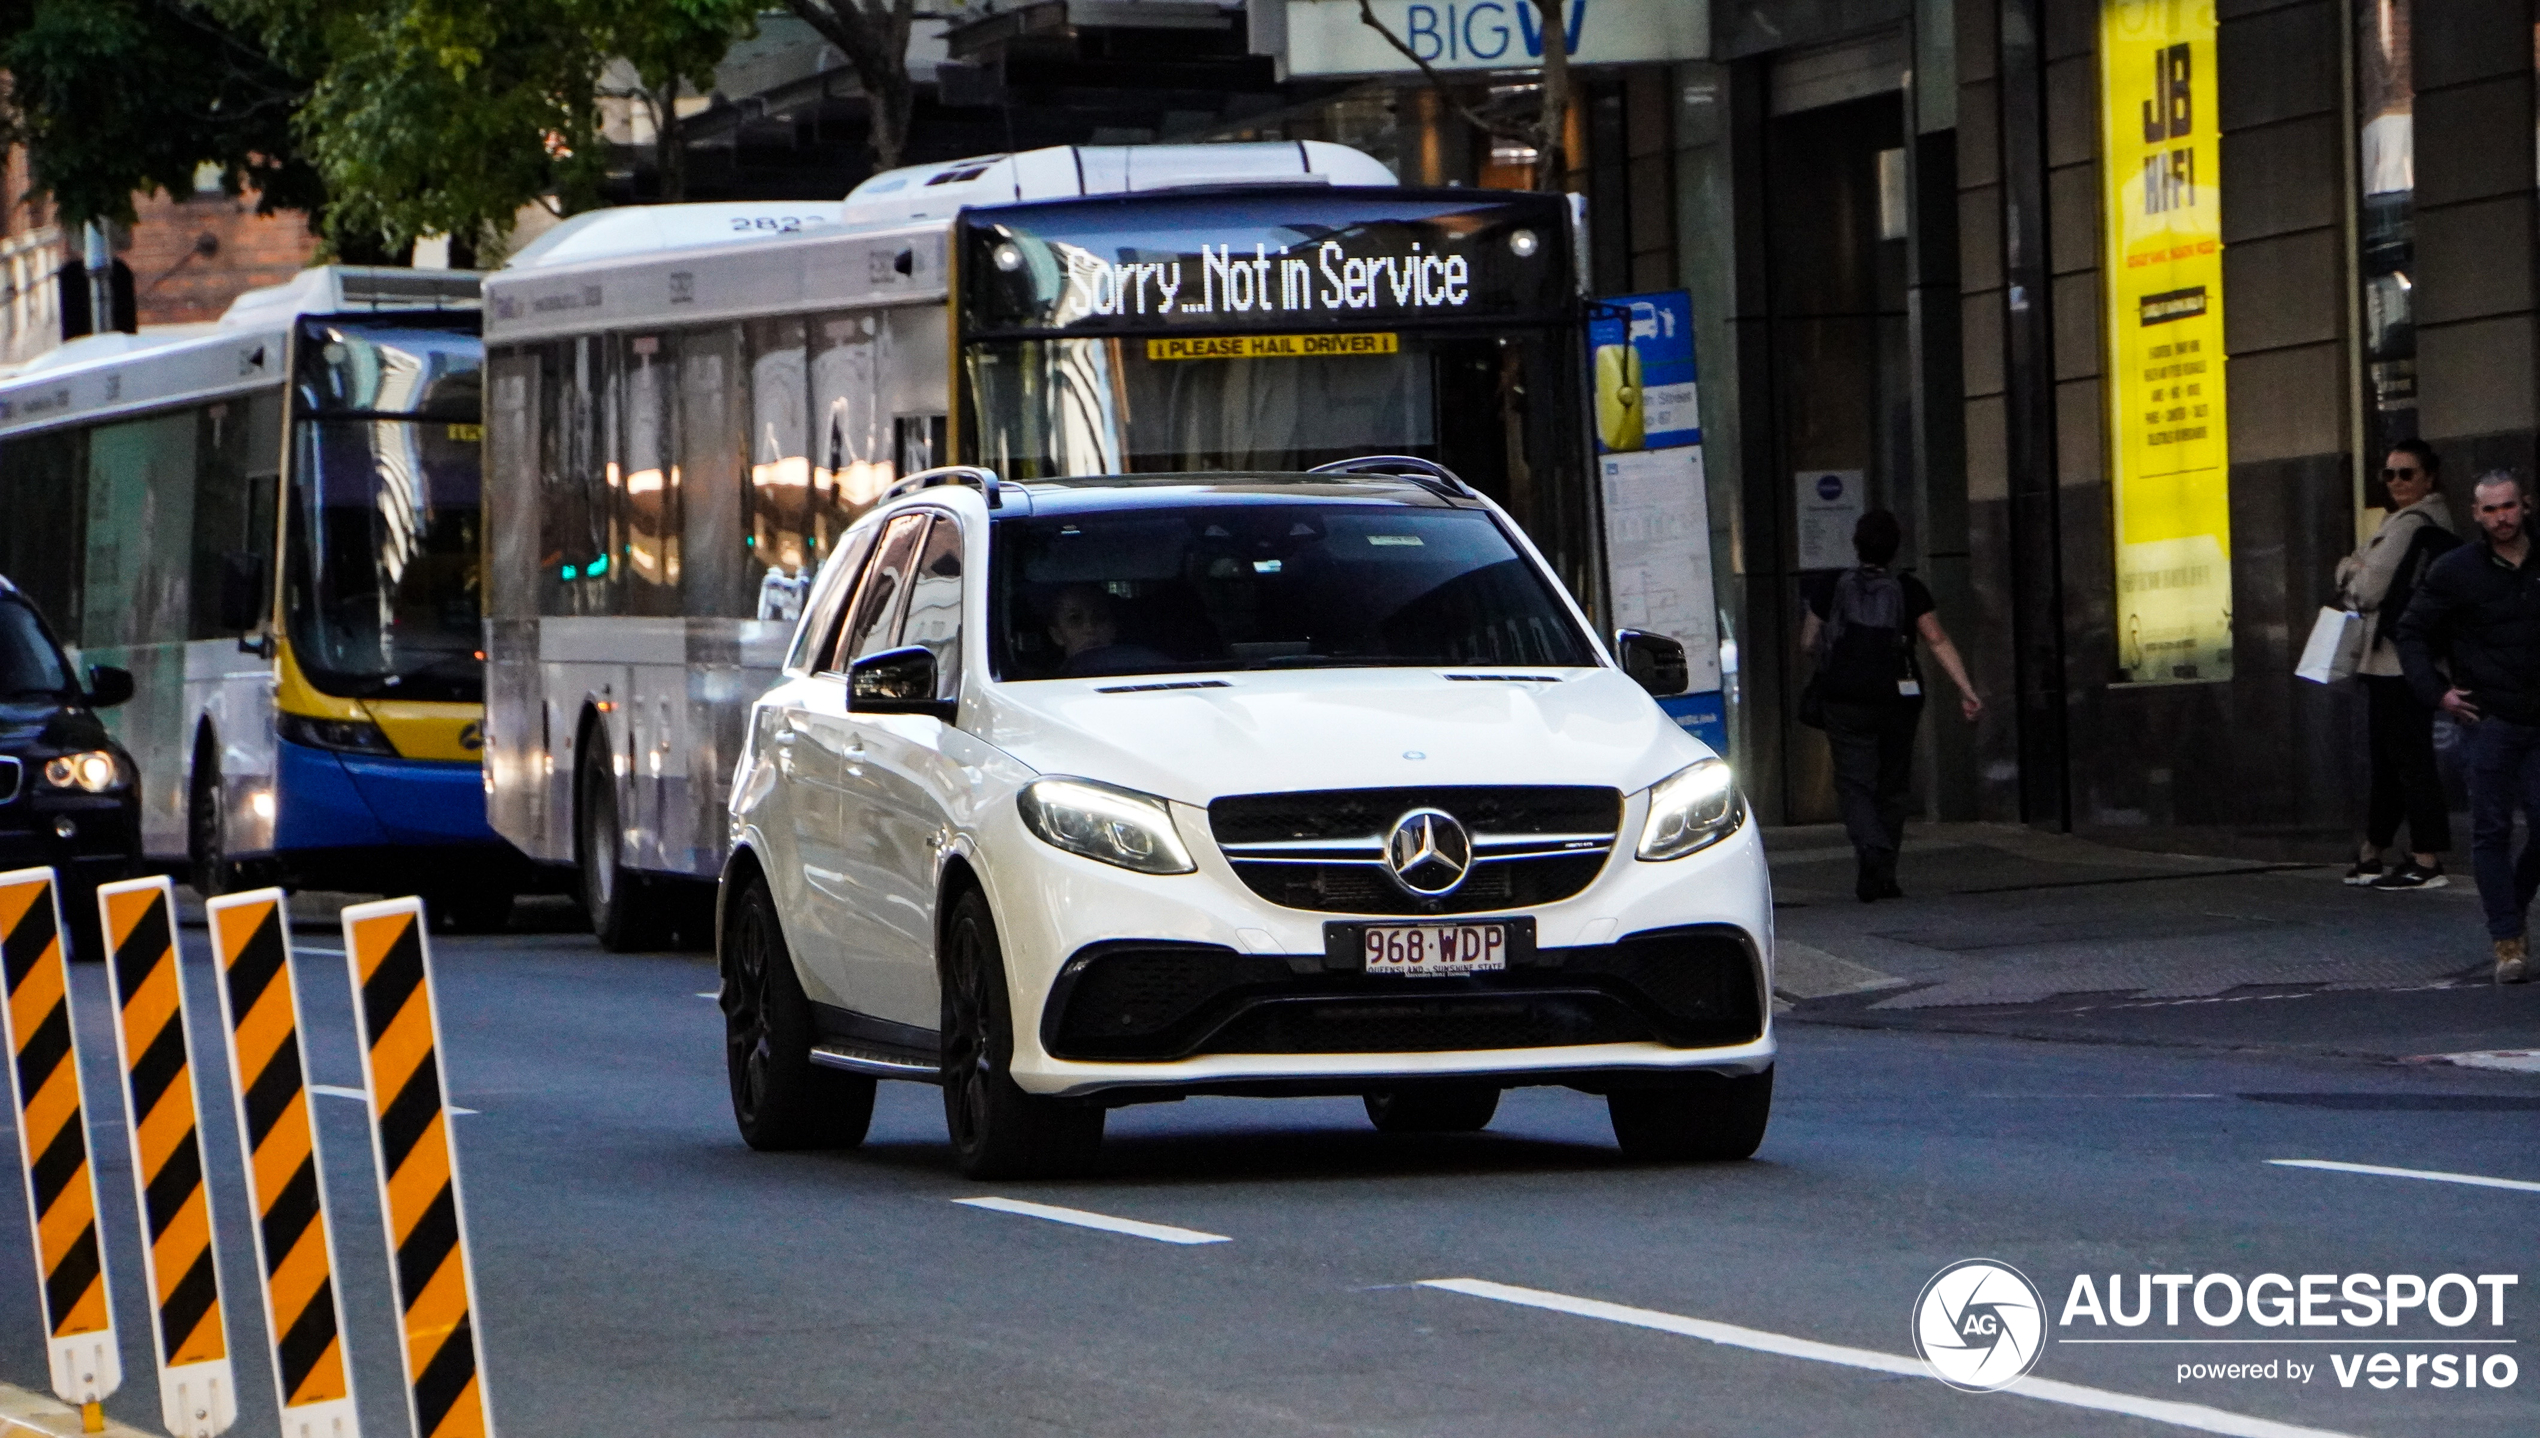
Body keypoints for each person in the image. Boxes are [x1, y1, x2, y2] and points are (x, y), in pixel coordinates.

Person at [2395, 471, 2540, 984]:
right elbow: (2410, 631)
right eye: (2491, 510)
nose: (2502, 518)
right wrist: (2439, 694)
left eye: (2509, 507)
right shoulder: (2456, 570)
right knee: (2492, 829)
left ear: (2525, 505)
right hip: (2488, 719)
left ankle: (2509, 907)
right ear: (2476, 515)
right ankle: (2507, 942)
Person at [1799, 510, 1983, 903]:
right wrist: (1966, 689)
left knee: (1854, 781)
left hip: (1844, 698)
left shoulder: (1831, 585)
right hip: (1898, 699)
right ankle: (1885, 875)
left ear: (1856, 543)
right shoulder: (1908, 588)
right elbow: (1936, 639)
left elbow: (1808, 641)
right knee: (1893, 783)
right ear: (1896, 548)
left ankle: (1869, 845)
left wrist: (1833, 657)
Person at [2335, 438, 2460, 889]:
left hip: (2397, 660)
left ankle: (2425, 859)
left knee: (2406, 759)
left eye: (2406, 474)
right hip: (2393, 658)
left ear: (2428, 477)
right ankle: (2375, 850)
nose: (2396, 482)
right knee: (2391, 759)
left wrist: (2351, 567)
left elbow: (2365, 590)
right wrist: (2359, 568)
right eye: (2389, 474)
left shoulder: (2412, 523)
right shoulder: (2401, 520)